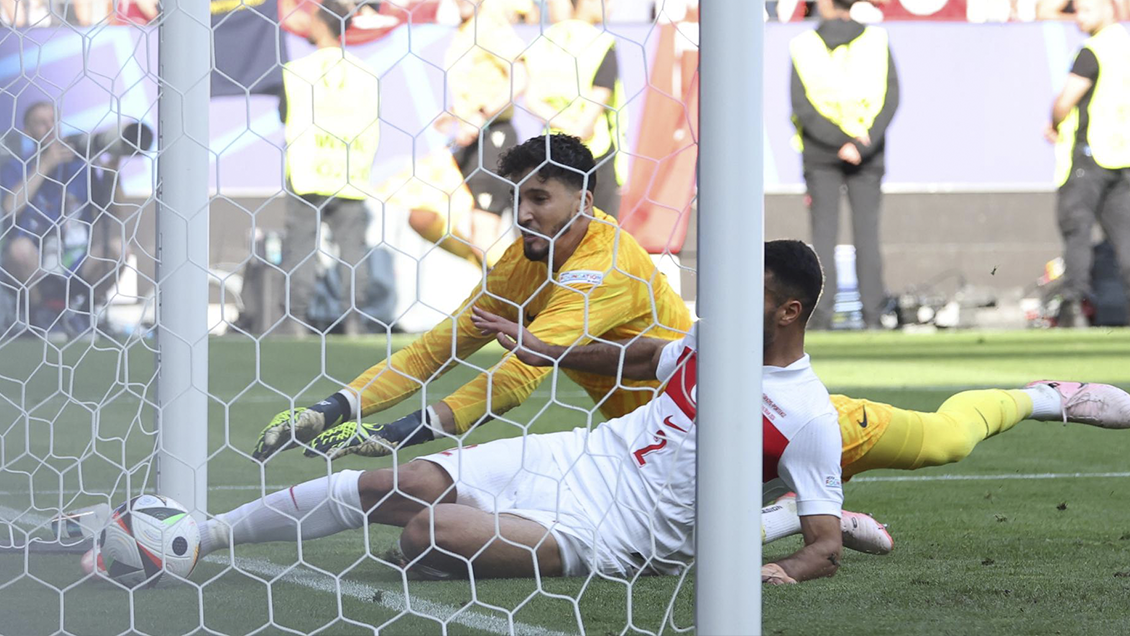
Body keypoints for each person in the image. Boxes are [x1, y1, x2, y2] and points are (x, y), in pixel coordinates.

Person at [80, 240, 844, 584]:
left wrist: (783, 567)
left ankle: (764, 518)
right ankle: (196, 539)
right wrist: (551, 352)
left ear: (788, 310)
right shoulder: (713, 340)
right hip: (585, 456)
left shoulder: (807, 415)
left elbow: (826, 547)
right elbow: (648, 357)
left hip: (621, 530)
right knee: (398, 484)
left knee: (426, 535)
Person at [474, 303, 1130, 551]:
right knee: (685, 552)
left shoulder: (800, 403)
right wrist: (547, 349)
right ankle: (798, 513)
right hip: (675, 462)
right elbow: (648, 354)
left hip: (793, 427)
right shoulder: (692, 340)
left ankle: (1047, 397)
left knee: (945, 440)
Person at [253, 134, 692, 461]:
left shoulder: (604, 265)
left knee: (432, 497)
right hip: (639, 442)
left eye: (539, 198)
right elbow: (432, 353)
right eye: (517, 198)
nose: (522, 215)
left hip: (693, 441)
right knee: (419, 503)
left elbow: (519, 373)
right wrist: (330, 410)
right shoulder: (521, 261)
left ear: (584, 201)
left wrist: (398, 432)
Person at [790, 0, 899, 330]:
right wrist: (859, 144)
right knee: (867, 235)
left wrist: (838, 142)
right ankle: (873, 316)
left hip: (820, 152)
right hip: (868, 150)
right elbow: (892, 97)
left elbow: (802, 107)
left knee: (823, 237)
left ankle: (821, 317)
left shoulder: (803, 45)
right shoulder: (877, 40)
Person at [278, 0, 380, 337]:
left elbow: (284, 113)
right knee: (352, 251)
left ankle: (296, 322)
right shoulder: (365, 73)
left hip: (308, 169)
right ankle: (354, 322)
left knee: (301, 247)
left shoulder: (297, 71)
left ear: (322, 23)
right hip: (349, 171)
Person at [416, 0, 530, 268]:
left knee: (483, 234)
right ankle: (499, 277)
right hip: (468, 138)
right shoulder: (465, 29)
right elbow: (480, 82)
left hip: (494, 138)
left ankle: (516, 286)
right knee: (420, 215)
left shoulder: (490, 24)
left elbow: (521, 77)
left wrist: (481, 114)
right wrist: (456, 113)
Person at [1, 101, 123, 334]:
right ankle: (39, 314)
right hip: (33, 270)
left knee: (120, 250)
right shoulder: (17, 166)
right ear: (27, 131)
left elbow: (113, 211)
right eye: (41, 123)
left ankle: (84, 310)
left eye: (53, 121)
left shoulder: (79, 166)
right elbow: (8, 209)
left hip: (74, 264)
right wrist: (46, 164)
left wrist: (111, 174)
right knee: (19, 249)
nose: (50, 127)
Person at [1045, 0, 1130, 328]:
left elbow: (1066, 100)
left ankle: (1074, 307)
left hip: (1089, 156)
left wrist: (1053, 122)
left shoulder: (1092, 50)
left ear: (1110, 9)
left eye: (1087, 9)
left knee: (1076, 231)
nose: (1079, 16)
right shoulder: (1124, 45)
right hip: (1122, 159)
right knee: (1125, 241)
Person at [523, 0, 627, 218]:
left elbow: (531, 100)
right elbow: (594, 110)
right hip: (596, 155)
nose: (610, 6)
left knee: (559, 236)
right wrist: (578, 128)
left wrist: (564, 126)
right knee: (600, 239)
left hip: (553, 153)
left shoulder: (541, 42)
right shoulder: (601, 42)